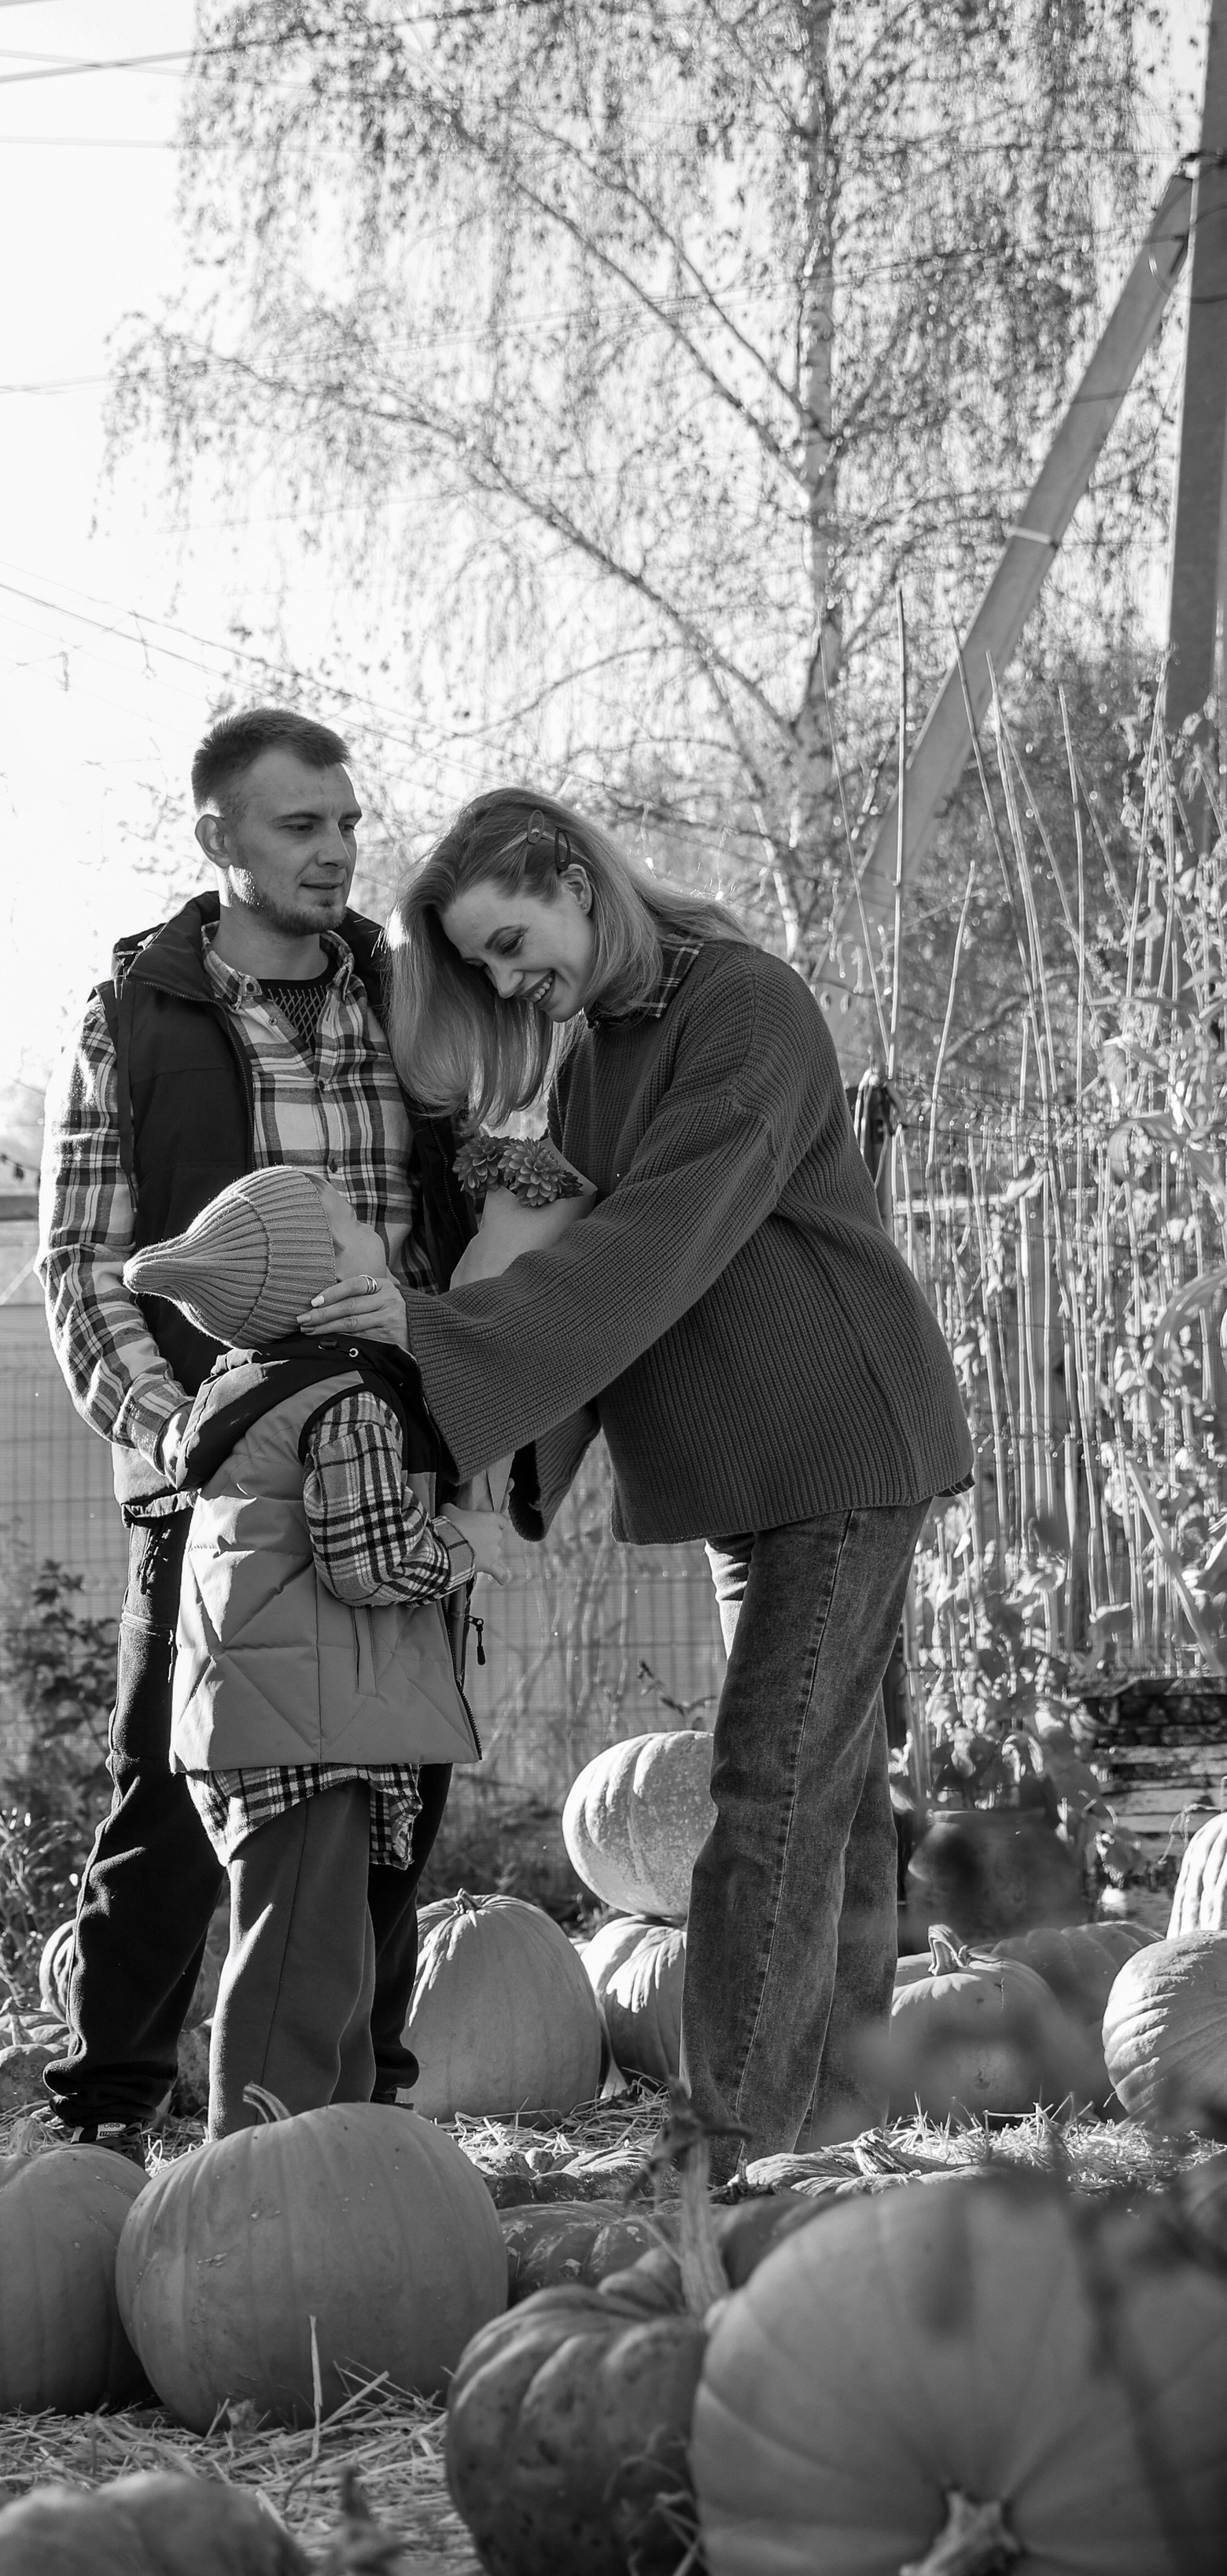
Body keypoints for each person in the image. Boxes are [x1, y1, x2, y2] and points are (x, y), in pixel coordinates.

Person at [301, 789, 973, 2175]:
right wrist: (468, 1450)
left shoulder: (748, 1008)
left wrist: (434, 1343)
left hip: (840, 1444)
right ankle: (832, 2130)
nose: (506, 977)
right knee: (826, 1804)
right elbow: (559, 1252)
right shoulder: (599, 1060)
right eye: (483, 963)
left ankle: (727, 2139)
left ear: (572, 875)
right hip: (755, 1472)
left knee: (767, 1790)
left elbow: (649, 1251)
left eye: (511, 937)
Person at [35, 707, 476, 2150]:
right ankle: (106, 2114)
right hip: (214, 1475)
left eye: (347, 823)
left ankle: (370, 2120)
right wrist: (177, 1439)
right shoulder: (132, 1021)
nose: (337, 852)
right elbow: (86, 1264)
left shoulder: (408, 1000)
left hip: (385, 1450)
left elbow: (470, 1210)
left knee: (394, 1792)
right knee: (167, 1788)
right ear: (218, 837)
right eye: (303, 827)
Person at [122, 1165, 495, 2135]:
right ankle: (258, 2170)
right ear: (323, 1276)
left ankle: (336, 2150)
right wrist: (462, 1548)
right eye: (357, 1228)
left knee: (318, 1951)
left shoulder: (239, 1392)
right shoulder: (347, 1402)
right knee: (299, 1964)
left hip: (259, 1719)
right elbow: (369, 1565)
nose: (379, 1238)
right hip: (314, 1728)